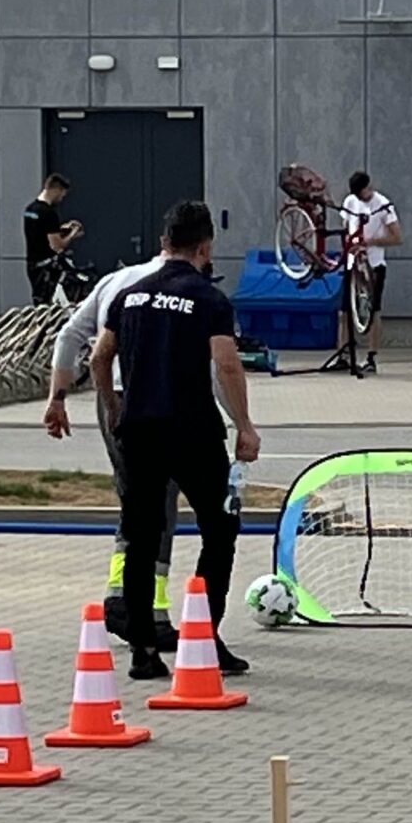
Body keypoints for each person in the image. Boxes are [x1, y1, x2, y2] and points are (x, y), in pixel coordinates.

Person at [90, 201, 261, 681]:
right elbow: (226, 364)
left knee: (141, 537)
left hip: (139, 431)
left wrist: (113, 405)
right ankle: (203, 637)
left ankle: (143, 648)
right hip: (193, 431)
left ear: (164, 242)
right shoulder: (209, 299)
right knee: (219, 530)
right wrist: (245, 425)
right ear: (205, 247)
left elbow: (99, 358)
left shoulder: (130, 296)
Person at [44, 246, 175, 640]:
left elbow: (69, 336)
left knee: (132, 497)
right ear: (201, 249)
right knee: (160, 503)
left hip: (111, 398)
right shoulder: (185, 289)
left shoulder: (113, 282)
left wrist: (57, 397)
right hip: (157, 399)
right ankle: (149, 610)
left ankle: (120, 595)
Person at [338, 169, 400, 368]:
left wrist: (369, 242)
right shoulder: (350, 202)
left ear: (369, 187)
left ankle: (371, 357)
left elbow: (396, 237)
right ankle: (343, 354)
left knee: (373, 311)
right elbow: (346, 228)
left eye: (362, 193)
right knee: (344, 311)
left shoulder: (383, 205)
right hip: (352, 263)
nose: (360, 197)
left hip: (374, 264)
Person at [22, 173, 82, 301]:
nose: (61, 199)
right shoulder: (49, 213)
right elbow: (57, 246)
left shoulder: (30, 209)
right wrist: (73, 233)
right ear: (56, 190)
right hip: (46, 268)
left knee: (38, 299)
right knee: (49, 301)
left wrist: (61, 229)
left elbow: (40, 230)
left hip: (32, 263)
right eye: (62, 195)